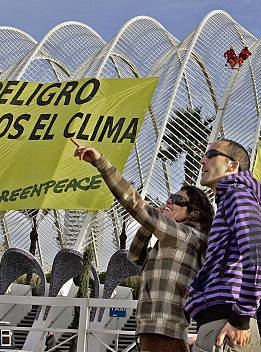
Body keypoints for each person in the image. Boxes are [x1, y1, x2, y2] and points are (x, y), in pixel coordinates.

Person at [72, 138, 214, 352]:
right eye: (169, 197)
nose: (169, 201)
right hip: (155, 330)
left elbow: (135, 204)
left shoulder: (183, 235)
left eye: (177, 199)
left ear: (193, 212)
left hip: (163, 330)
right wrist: (151, 223)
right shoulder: (175, 241)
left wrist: (101, 163)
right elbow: (135, 256)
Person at [186, 139, 261, 352]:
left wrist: (240, 319)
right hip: (227, 325)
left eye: (211, 154)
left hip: (225, 324)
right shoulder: (244, 202)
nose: (203, 160)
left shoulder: (236, 194)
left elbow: (260, 260)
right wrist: (259, 332)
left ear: (233, 166)